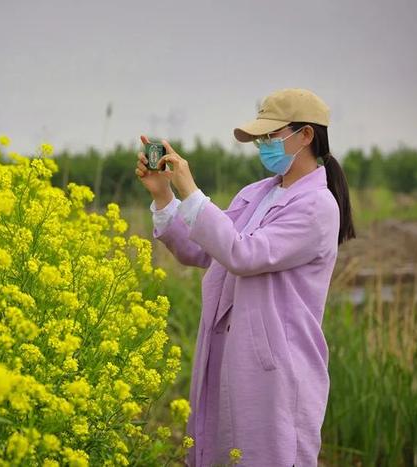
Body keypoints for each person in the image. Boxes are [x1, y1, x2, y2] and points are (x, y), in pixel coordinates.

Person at [135, 88, 355, 467]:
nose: (263, 145)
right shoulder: (258, 193)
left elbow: (243, 253)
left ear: (305, 135)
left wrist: (192, 192)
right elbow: (202, 249)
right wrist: (164, 195)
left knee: (270, 454)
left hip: (276, 364)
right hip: (228, 353)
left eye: (271, 136)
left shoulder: (318, 206)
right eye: (261, 138)